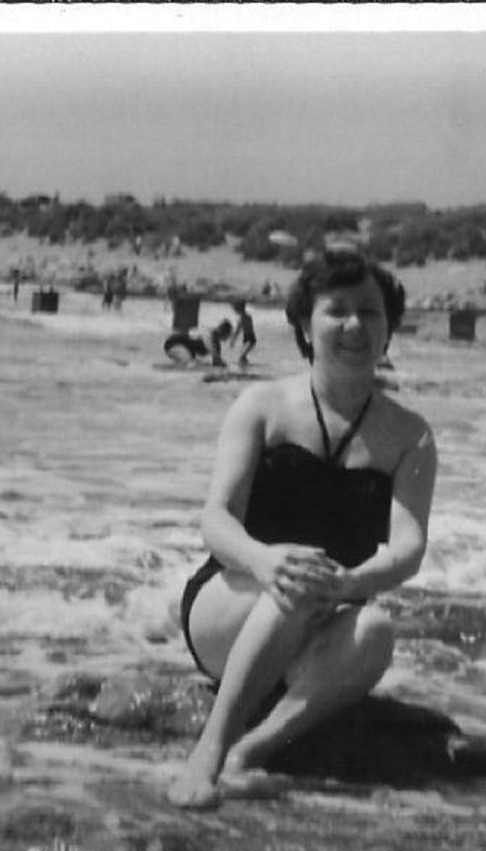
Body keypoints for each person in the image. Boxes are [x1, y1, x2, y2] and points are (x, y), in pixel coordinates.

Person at [167, 250, 437, 809]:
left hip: (323, 612)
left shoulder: (409, 434)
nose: (355, 325)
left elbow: (408, 548)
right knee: (299, 580)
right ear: (304, 327)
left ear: (389, 329)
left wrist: (353, 584)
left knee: (378, 630)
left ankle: (254, 749)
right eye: (337, 311)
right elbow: (215, 521)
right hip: (229, 603)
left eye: (371, 312)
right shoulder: (261, 405)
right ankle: (210, 749)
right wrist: (266, 561)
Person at [229, 299, 259, 366]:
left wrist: (232, 341)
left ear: (238, 309)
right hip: (250, 338)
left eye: (234, 310)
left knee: (241, 357)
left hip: (249, 339)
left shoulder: (241, 319)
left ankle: (244, 368)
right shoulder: (249, 317)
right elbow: (249, 328)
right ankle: (246, 368)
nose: (234, 312)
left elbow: (237, 331)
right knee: (243, 356)